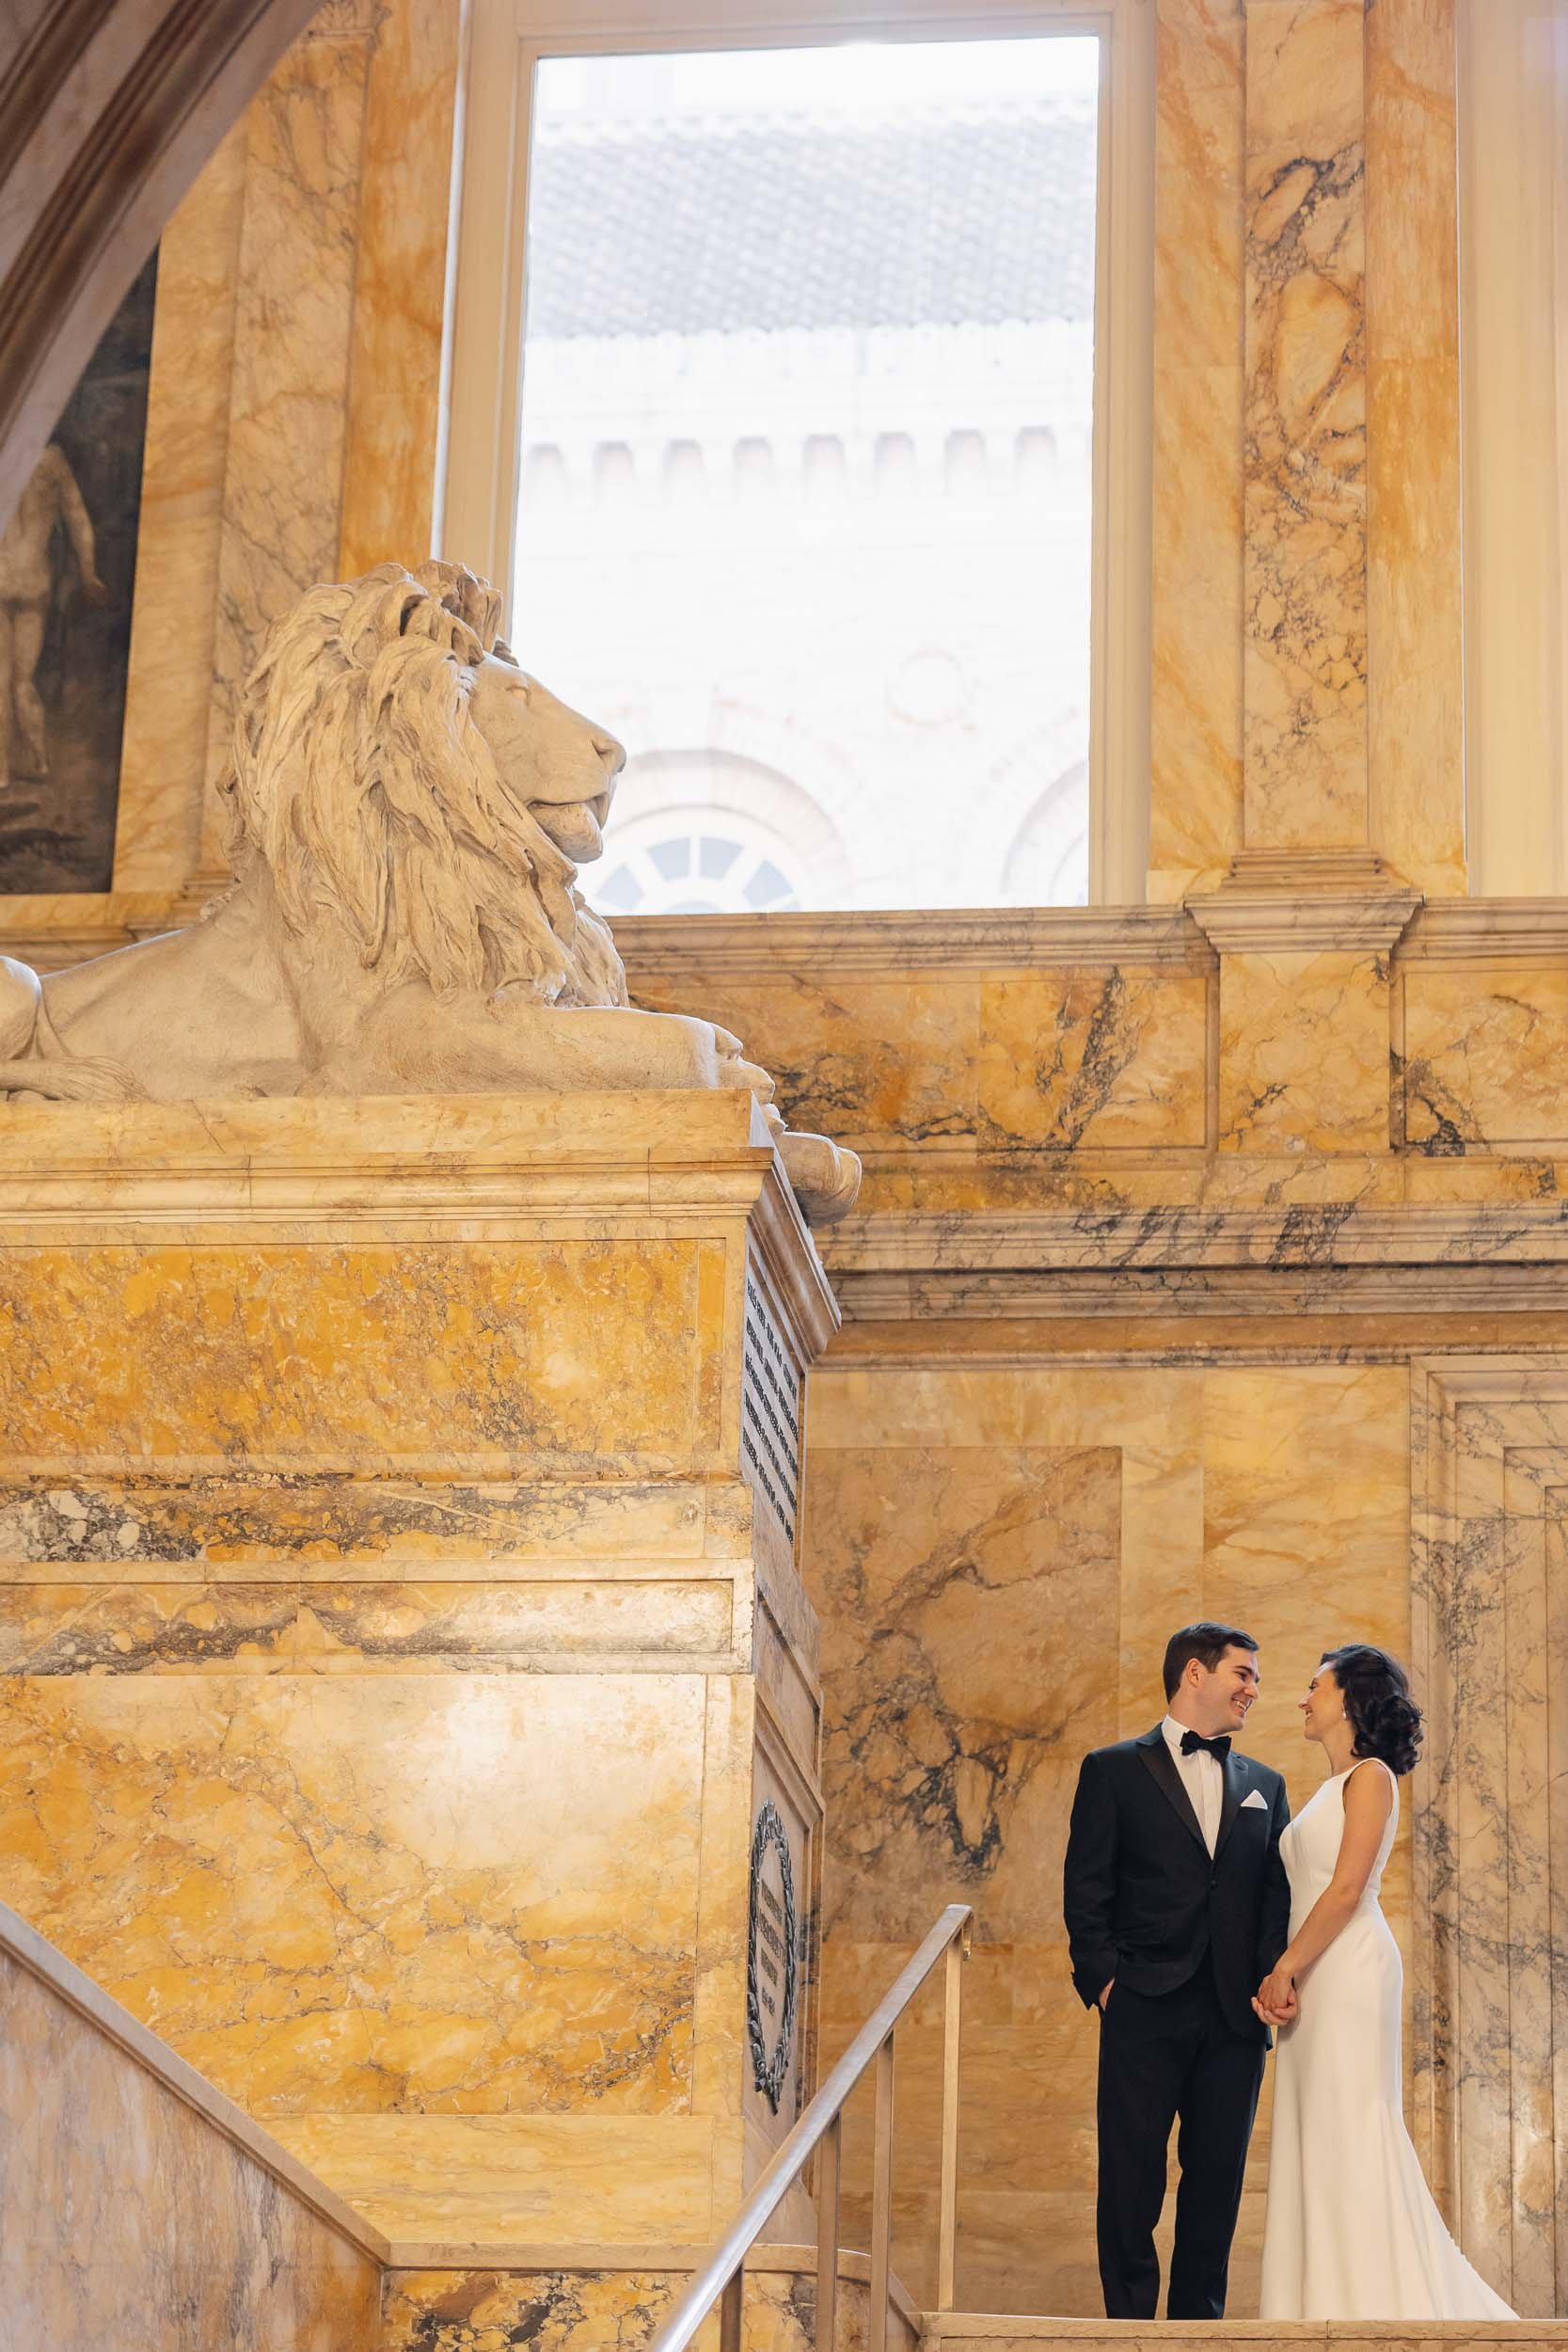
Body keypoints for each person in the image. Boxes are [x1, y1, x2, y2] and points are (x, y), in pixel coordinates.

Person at [1256, 1645, 1515, 2320]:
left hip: (1345, 1970)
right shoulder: (1322, 1787)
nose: (1302, 1698)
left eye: (1313, 1686)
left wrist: (1285, 1967)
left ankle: (1364, 2303)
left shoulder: (1371, 1777)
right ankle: (1314, 2305)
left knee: (1351, 2123)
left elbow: (1344, 1890)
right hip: (1316, 1973)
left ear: (1347, 1698)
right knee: (1317, 2127)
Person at [1063, 1622, 1291, 2319]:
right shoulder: (1111, 1769)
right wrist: (1105, 1980)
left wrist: (1264, 1981)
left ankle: (1200, 2325)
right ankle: (1127, 2322)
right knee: (1131, 2171)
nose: (1252, 1688)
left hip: (1232, 2014)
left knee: (1216, 2179)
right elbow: (1085, 1886)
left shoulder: (1266, 1785)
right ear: (1194, 1674)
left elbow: (1274, 1895)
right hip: (1142, 2000)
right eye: (1242, 1673)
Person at [0, 440, 105, 793]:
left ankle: (2, 770)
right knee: (21, 682)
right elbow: (77, 518)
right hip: (33, 582)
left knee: (2, 681)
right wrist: (88, 573)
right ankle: (37, 759)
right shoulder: (53, 462)